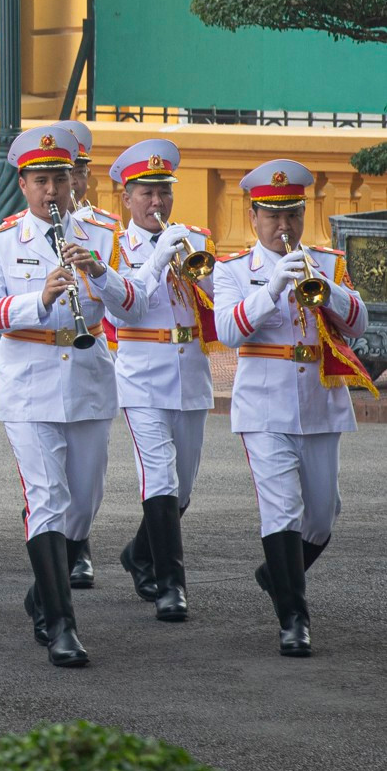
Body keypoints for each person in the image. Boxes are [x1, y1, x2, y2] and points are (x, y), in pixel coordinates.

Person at [0, 125, 136, 669]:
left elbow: (131, 306)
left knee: (82, 507)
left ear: (73, 182)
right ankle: (63, 626)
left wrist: (101, 273)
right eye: (40, 181)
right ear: (24, 182)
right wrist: (36, 298)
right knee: (48, 500)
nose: (51, 192)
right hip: (30, 381)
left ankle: (44, 593)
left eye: (59, 180)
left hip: (87, 379)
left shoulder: (106, 233)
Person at [212, 159, 369, 658]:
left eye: (293, 215)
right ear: (253, 214)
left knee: (322, 517)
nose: (284, 227)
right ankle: (294, 620)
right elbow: (229, 332)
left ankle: (276, 574)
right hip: (264, 404)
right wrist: (274, 287)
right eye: (273, 216)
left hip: (319, 402)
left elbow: (359, 323)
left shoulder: (327, 262)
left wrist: (329, 290)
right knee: (282, 508)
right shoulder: (234, 270)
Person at [98, 139, 214, 624]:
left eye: (164, 191)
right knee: (160, 478)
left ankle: (139, 554)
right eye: (145, 192)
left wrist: (195, 263)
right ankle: (173, 586)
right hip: (142, 373)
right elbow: (125, 307)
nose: (157, 203)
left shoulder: (195, 239)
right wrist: (155, 259)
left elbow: (214, 298)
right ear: (126, 197)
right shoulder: (114, 247)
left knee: (183, 488)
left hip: (190, 370)